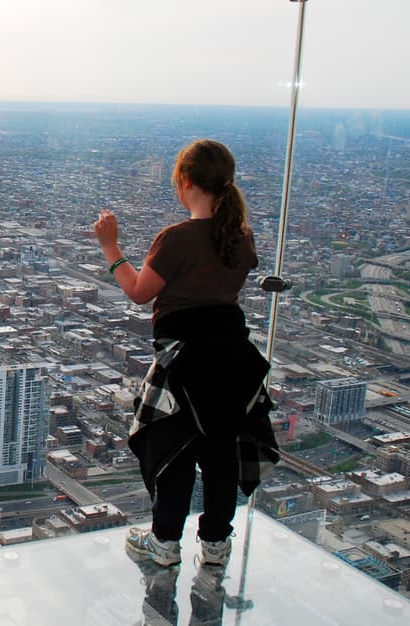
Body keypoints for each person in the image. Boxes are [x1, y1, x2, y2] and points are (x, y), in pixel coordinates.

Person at [93, 138, 279, 568]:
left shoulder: (176, 239)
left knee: (173, 449)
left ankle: (164, 544)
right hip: (232, 358)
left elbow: (140, 293)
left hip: (184, 361)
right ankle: (216, 543)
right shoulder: (241, 236)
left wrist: (110, 247)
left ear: (186, 182)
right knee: (219, 453)